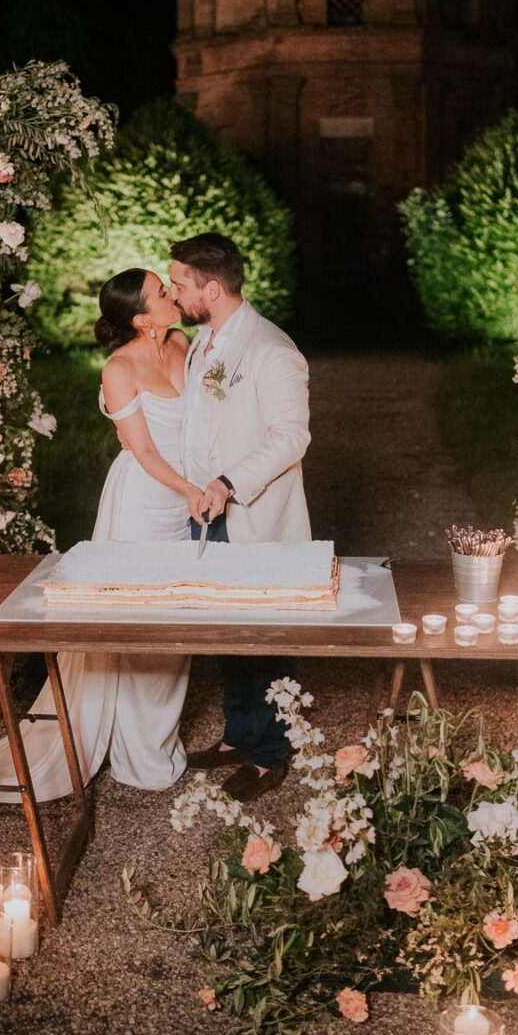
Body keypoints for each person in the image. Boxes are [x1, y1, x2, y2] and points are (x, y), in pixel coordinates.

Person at [0, 268, 200, 801]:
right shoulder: (120, 368)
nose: (172, 295)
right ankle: (119, 748)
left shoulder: (183, 342)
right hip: (143, 504)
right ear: (141, 318)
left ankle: (151, 747)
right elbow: (142, 450)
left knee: (175, 623)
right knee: (134, 622)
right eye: (163, 292)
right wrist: (188, 488)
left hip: (189, 499)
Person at [170, 232, 311, 803]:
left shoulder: (272, 349)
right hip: (207, 511)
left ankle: (272, 752)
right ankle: (238, 734)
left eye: (180, 283)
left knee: (264, 633)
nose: (176, 293)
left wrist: (229, 483)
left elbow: (292, 437)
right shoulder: (206, 341)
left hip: (253, 513)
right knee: (228, 629)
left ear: (212, 287)